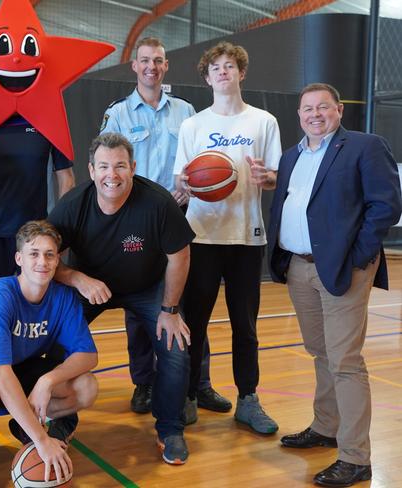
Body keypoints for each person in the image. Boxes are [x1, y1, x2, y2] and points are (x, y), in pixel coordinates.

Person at [268, 83, 401, 487]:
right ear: (299, 114)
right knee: (320, 352)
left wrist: (359, 254)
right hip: (299, 268)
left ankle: (356, 458)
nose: (314, 114)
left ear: (339, 110)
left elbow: (388, 204)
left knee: (344, 361)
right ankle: (326, 427)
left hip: (344, 268)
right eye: (307, 108)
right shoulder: (292, 156)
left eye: (322, 107)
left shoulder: (364, 146)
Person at [100, 36, 230, 419]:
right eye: (144, 60)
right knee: (138, 309)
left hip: (180, 222)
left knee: (188, 306)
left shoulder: (187, 111)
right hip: (137, 222)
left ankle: (198, 384)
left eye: (158, 60)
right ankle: (144, 383)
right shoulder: (119, 112)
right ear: (135, 66)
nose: (151, 66)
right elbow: (108, 164)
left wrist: (194, 186)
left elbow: (200, 163)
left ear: (166, 65)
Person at [48, 133, 194, 465]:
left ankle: (170, 429)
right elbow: (44, 258)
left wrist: (170, 309)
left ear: (133, 168)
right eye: (103, 166)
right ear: (91, 170)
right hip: (92, 285)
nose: (111, 175)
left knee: (174, 348)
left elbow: (180, 256)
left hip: (147, 286)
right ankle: (63, 419)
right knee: (57, 343)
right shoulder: (73, 205)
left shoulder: (157, 202)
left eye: (119, 166)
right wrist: (78, 278)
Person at [173, 41, 280, 434]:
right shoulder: (193, 125)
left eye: (230, 65)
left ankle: (248, 400)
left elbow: (274, 179)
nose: (222, 71)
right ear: (206, 76)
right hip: (202, 236)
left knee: (245, 326)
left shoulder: (263, 121)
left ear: (241, 72)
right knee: (194, 323)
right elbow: (180, 181)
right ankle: (187, 395)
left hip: (247, 238)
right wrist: (183, 186)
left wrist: (265, 178)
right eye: (215, 67)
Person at [0, 220, 97, 483]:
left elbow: (88, 355)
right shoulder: (0, 295)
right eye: (34, 254)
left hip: (28, 367)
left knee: (86, 387)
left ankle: (24, 424)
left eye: (49, 254)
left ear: (57, 260)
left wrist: (47, 380)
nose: (42, 261)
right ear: (19, 258)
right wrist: (41, 440)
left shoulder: (63, 297)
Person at [0, 114, 75, 295]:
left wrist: (61, 230)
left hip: (38, 234)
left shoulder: (48, 121)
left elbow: (67, 180)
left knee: (38, 306)